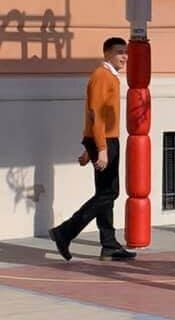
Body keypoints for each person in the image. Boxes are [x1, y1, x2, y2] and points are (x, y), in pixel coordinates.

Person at [49, 38, 136, 262]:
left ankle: (109, 245)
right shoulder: (101, 76)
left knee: (104, 193)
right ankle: (65, 231)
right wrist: (101, 148)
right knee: (109, 193)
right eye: (119, 52)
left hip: (104, 140)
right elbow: (95, 113)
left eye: (126, 52)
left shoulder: (110, 76)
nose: (124, 57)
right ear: (107, 54)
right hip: (105, 141)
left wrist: (90, 149)